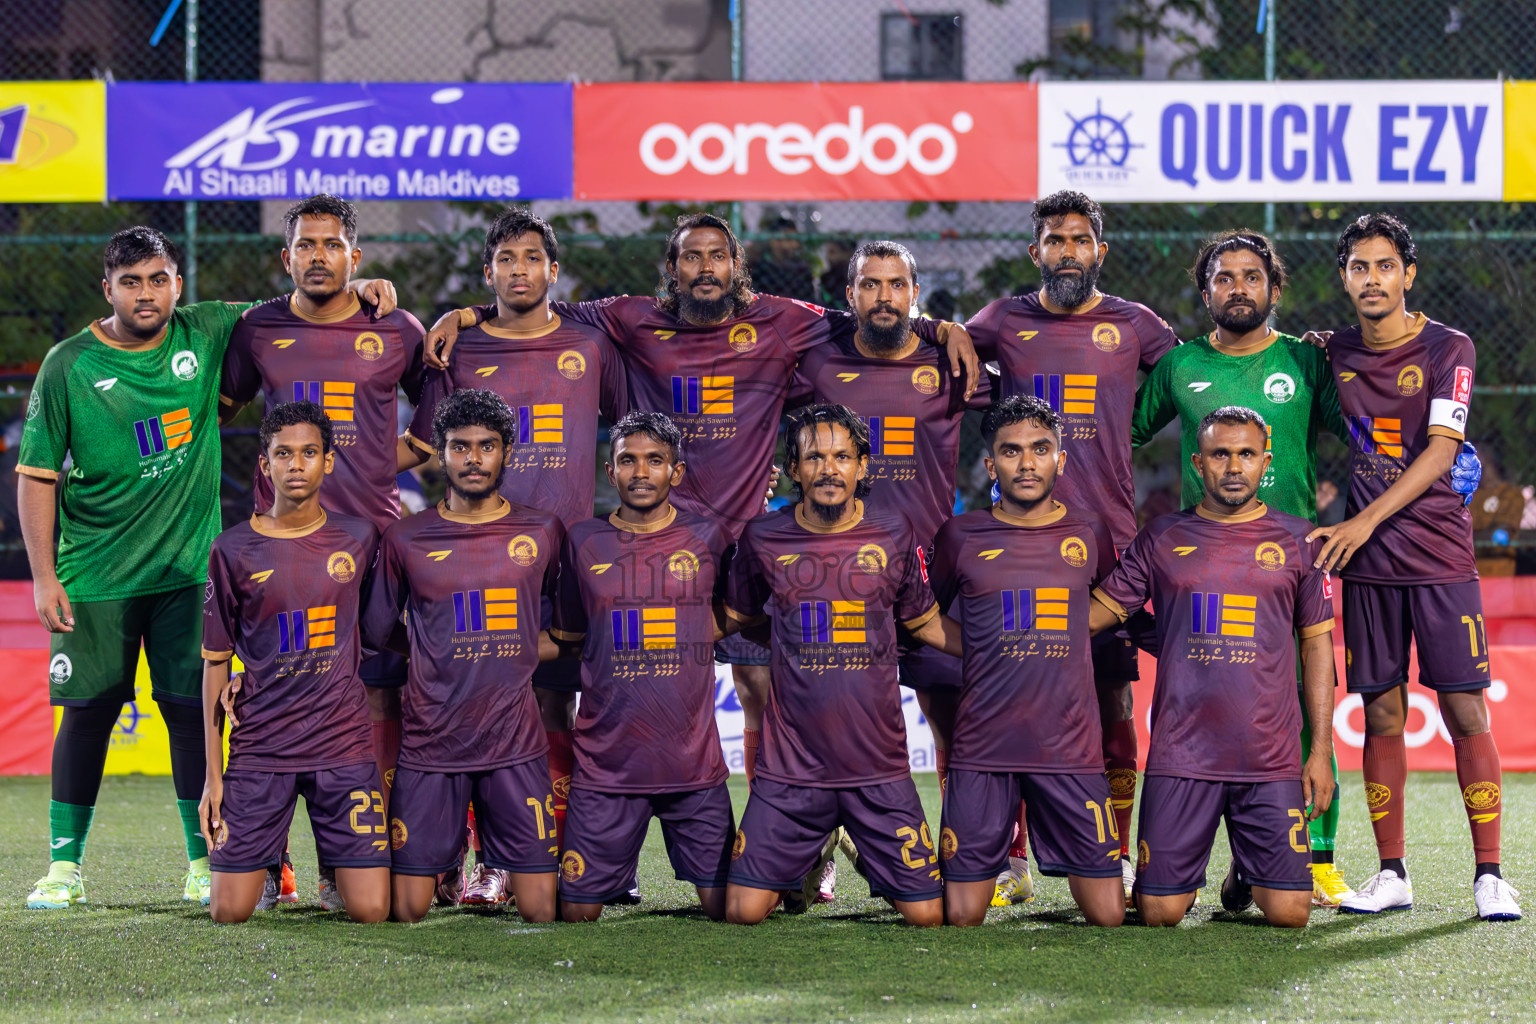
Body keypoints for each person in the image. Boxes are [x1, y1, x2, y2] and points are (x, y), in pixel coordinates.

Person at [426, 214, 979, 832]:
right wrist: (467, 315)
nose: (706, 267)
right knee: (631, 690)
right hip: (657, 545)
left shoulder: (782, 319)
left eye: (718, 256)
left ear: (737, 266)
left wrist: (940, 326)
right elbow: (536, 304)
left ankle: (780, 835)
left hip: (747, 545)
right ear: (672, 268)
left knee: (763, 688)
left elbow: (867, 315)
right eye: (692, 257)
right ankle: (603, 836)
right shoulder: (631, 319)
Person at [18, 226, 394, 911]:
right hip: (94, 574)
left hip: (188, 569)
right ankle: (64, 867)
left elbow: (293, 303)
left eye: (158, 279)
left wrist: (359, 290)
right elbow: (37, 474)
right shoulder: (67, 363)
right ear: (108, 289)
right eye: (130, 282)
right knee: (87, 714)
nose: (146, 294)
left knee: (194, 713)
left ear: (177, 284)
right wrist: (45, 575)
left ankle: (201, 858)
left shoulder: (210, 328)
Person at [962, 190, 1180, 903]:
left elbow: (1194, 382)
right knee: (1013, 700)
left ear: (1099, 252)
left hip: (1109, 550)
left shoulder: (1135, 325)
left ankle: (1113, 852)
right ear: (1036, 253)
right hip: (1021, 548)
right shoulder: (1005, 319)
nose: (1067, 252)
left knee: (1115, 703)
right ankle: (1010, 861)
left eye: (1080, 240)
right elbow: (952, 348)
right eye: (1054, 240)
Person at [402, 210, 626, 899]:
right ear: (489, 271)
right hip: (473, 557)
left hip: (563, 555)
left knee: (557, 709)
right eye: (505, 259)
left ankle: (554, 855)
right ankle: (478, 863)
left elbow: (637, 428)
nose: (519, 270)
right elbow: (422, 443)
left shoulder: (590, 344)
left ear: (553, 272)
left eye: (532, 258)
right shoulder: (457, 350)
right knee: (472, 708)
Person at [1128, 229, 1354, 907]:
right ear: (1206, 293)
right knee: (1210, 710)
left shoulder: (1306, 363)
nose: (1238, 288)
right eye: (1224, 278)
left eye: (1251, 277)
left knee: (1309, 706)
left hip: (1292, 567)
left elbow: (1368, 432)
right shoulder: (1180, 365)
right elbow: (1122, 436)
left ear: (1274, 288)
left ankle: (1313, 856)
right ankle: (1232, 859)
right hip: (1205, 567)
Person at [219, 194, 426, 907]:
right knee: (270, 688)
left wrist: (371, 464)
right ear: (287, 258)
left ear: (355, 257)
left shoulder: (394, 326)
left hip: (371, 542)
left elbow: (441, 416)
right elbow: (216, 407)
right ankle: (267, 858)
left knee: (376, 689)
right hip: (275, 548)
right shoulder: (256, 329)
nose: (317, 256)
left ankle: (352, 858)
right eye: (305, 245)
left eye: (331, 244)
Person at [1311, 214, 1520, 921]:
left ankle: (1490, 875)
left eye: (1385, 266)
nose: (1373, 279)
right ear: (1344, 277)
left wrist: (1361, 519)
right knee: (1382, 713)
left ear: (1409, 274)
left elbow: (1440, 450)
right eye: (1359, 267)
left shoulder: (1447, 346)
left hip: (1438, 558)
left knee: (1465, 709)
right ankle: (1393, 873)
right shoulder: (1333, 351)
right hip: (1368, 570)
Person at [789, 240, 990, 900]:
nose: (883, 296)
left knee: (952, 723)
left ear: (914, 293)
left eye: (896, 285)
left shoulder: (951, 361)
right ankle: (813, 853)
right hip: (838, 579)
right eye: (869, 285)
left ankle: (966, 853)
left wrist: (947, 330)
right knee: (826, 725)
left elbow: (1024, 409)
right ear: (850, 297)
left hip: (931, 575)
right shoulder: (818, 362)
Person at [1090, 406, 1338, 928]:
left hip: (1268, 757)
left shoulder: (1299, 540)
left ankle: (1246, 871)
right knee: (1159, 912)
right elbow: (1105, 613)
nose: (1233, 466)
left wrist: (1320, 752)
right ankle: (1223, 867)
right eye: (1220, 454)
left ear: (1265, 462)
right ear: (1198, 462)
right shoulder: (1160, 537)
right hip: (1183, 755)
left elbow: (1318, 649)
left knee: (1292, 914)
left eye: (1246, 454)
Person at [720, 404, 960, 927]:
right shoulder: (763, 537)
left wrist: (994, 648)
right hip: (791, 772)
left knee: (929, 916)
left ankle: (840, 835)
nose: (829, 469)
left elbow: (922, 622)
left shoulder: (895, 531)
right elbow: (734, 617)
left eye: (842, 457)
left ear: (863, 466)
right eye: (814, 458)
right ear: (794, 468)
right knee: (741, 911)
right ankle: (817, 843)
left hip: (877, 768)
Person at [359, 388, 562, 923]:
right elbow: (379, 630)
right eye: (459, 447)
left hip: (515, 745)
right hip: (431, 746)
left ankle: (490, 867)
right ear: (440, 455)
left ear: (507, 453)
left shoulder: (542, 530)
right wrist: (430, 651)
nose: (473, 459)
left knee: (542, 910)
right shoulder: (405, 538)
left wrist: (519, 652)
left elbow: (568, 628)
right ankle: (447, 867)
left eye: (486, 446)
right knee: (405, 911)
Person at [929, 395, 1124, 927]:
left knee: (1108, 916)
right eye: (1011, 452)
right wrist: (981, 643)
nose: (1027, 462)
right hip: (982, 747)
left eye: (1041, 449)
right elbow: (925, 618)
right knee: (960, 915)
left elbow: (1107, 613)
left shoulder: (1091, 533)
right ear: (991, 465)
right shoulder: (959, 536)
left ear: (1061, 459)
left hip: (1069, 748)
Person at [197, 401, 388, 923]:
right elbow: (215, 663)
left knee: (372, 910)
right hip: (261, 748)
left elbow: (374, 631)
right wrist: (214, 780)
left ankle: (333, 864)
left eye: (309, 453)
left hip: (342, 744)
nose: (296, 464)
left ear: (329, 461)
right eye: (283, 454)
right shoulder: (232, 549)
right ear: (265, 465)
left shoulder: (361, 537)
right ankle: (270, 863)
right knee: (227, 912)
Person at [549, 411, 735, 921]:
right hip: (607, 768)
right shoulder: (583, 540)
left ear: (675, 472)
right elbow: (568, 634)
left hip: (692, 767)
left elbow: (737, 611)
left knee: (732, 910)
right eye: (628, 460)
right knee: (576, 915)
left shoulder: (709, 536)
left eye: (655, 461)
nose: (640, 472)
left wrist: (691, 627)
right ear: (610, 472)